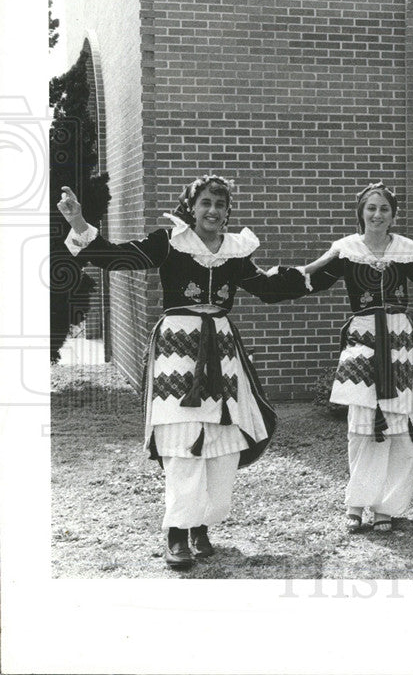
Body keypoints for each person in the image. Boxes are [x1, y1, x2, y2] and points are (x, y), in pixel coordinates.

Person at [57, 175, 308, 571]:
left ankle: (202, 525)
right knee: (181, 437)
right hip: (177, 348)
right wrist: (77, 222)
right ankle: (177, 532)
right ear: (191, 207)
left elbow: (268, 288)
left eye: (220, 204)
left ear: (228, 211)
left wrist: (319, 269)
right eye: (205, 202)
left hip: (221, 348)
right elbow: (117, 257)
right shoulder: (169, 241)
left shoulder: (235, 251)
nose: (213, 211)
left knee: (222, 439)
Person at [300, 182, 413, 533]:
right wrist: (272, 277)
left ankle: (387, 506)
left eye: (384, 209)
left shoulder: (405, 252)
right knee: (361, 423)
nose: (377, 214)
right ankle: (356, 503)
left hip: (399, 337)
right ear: (361, 212)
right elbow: (311, 278)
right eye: (371, 208)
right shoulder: (346, 250)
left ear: (393, 215)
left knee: (399, 425)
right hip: (363, 336)